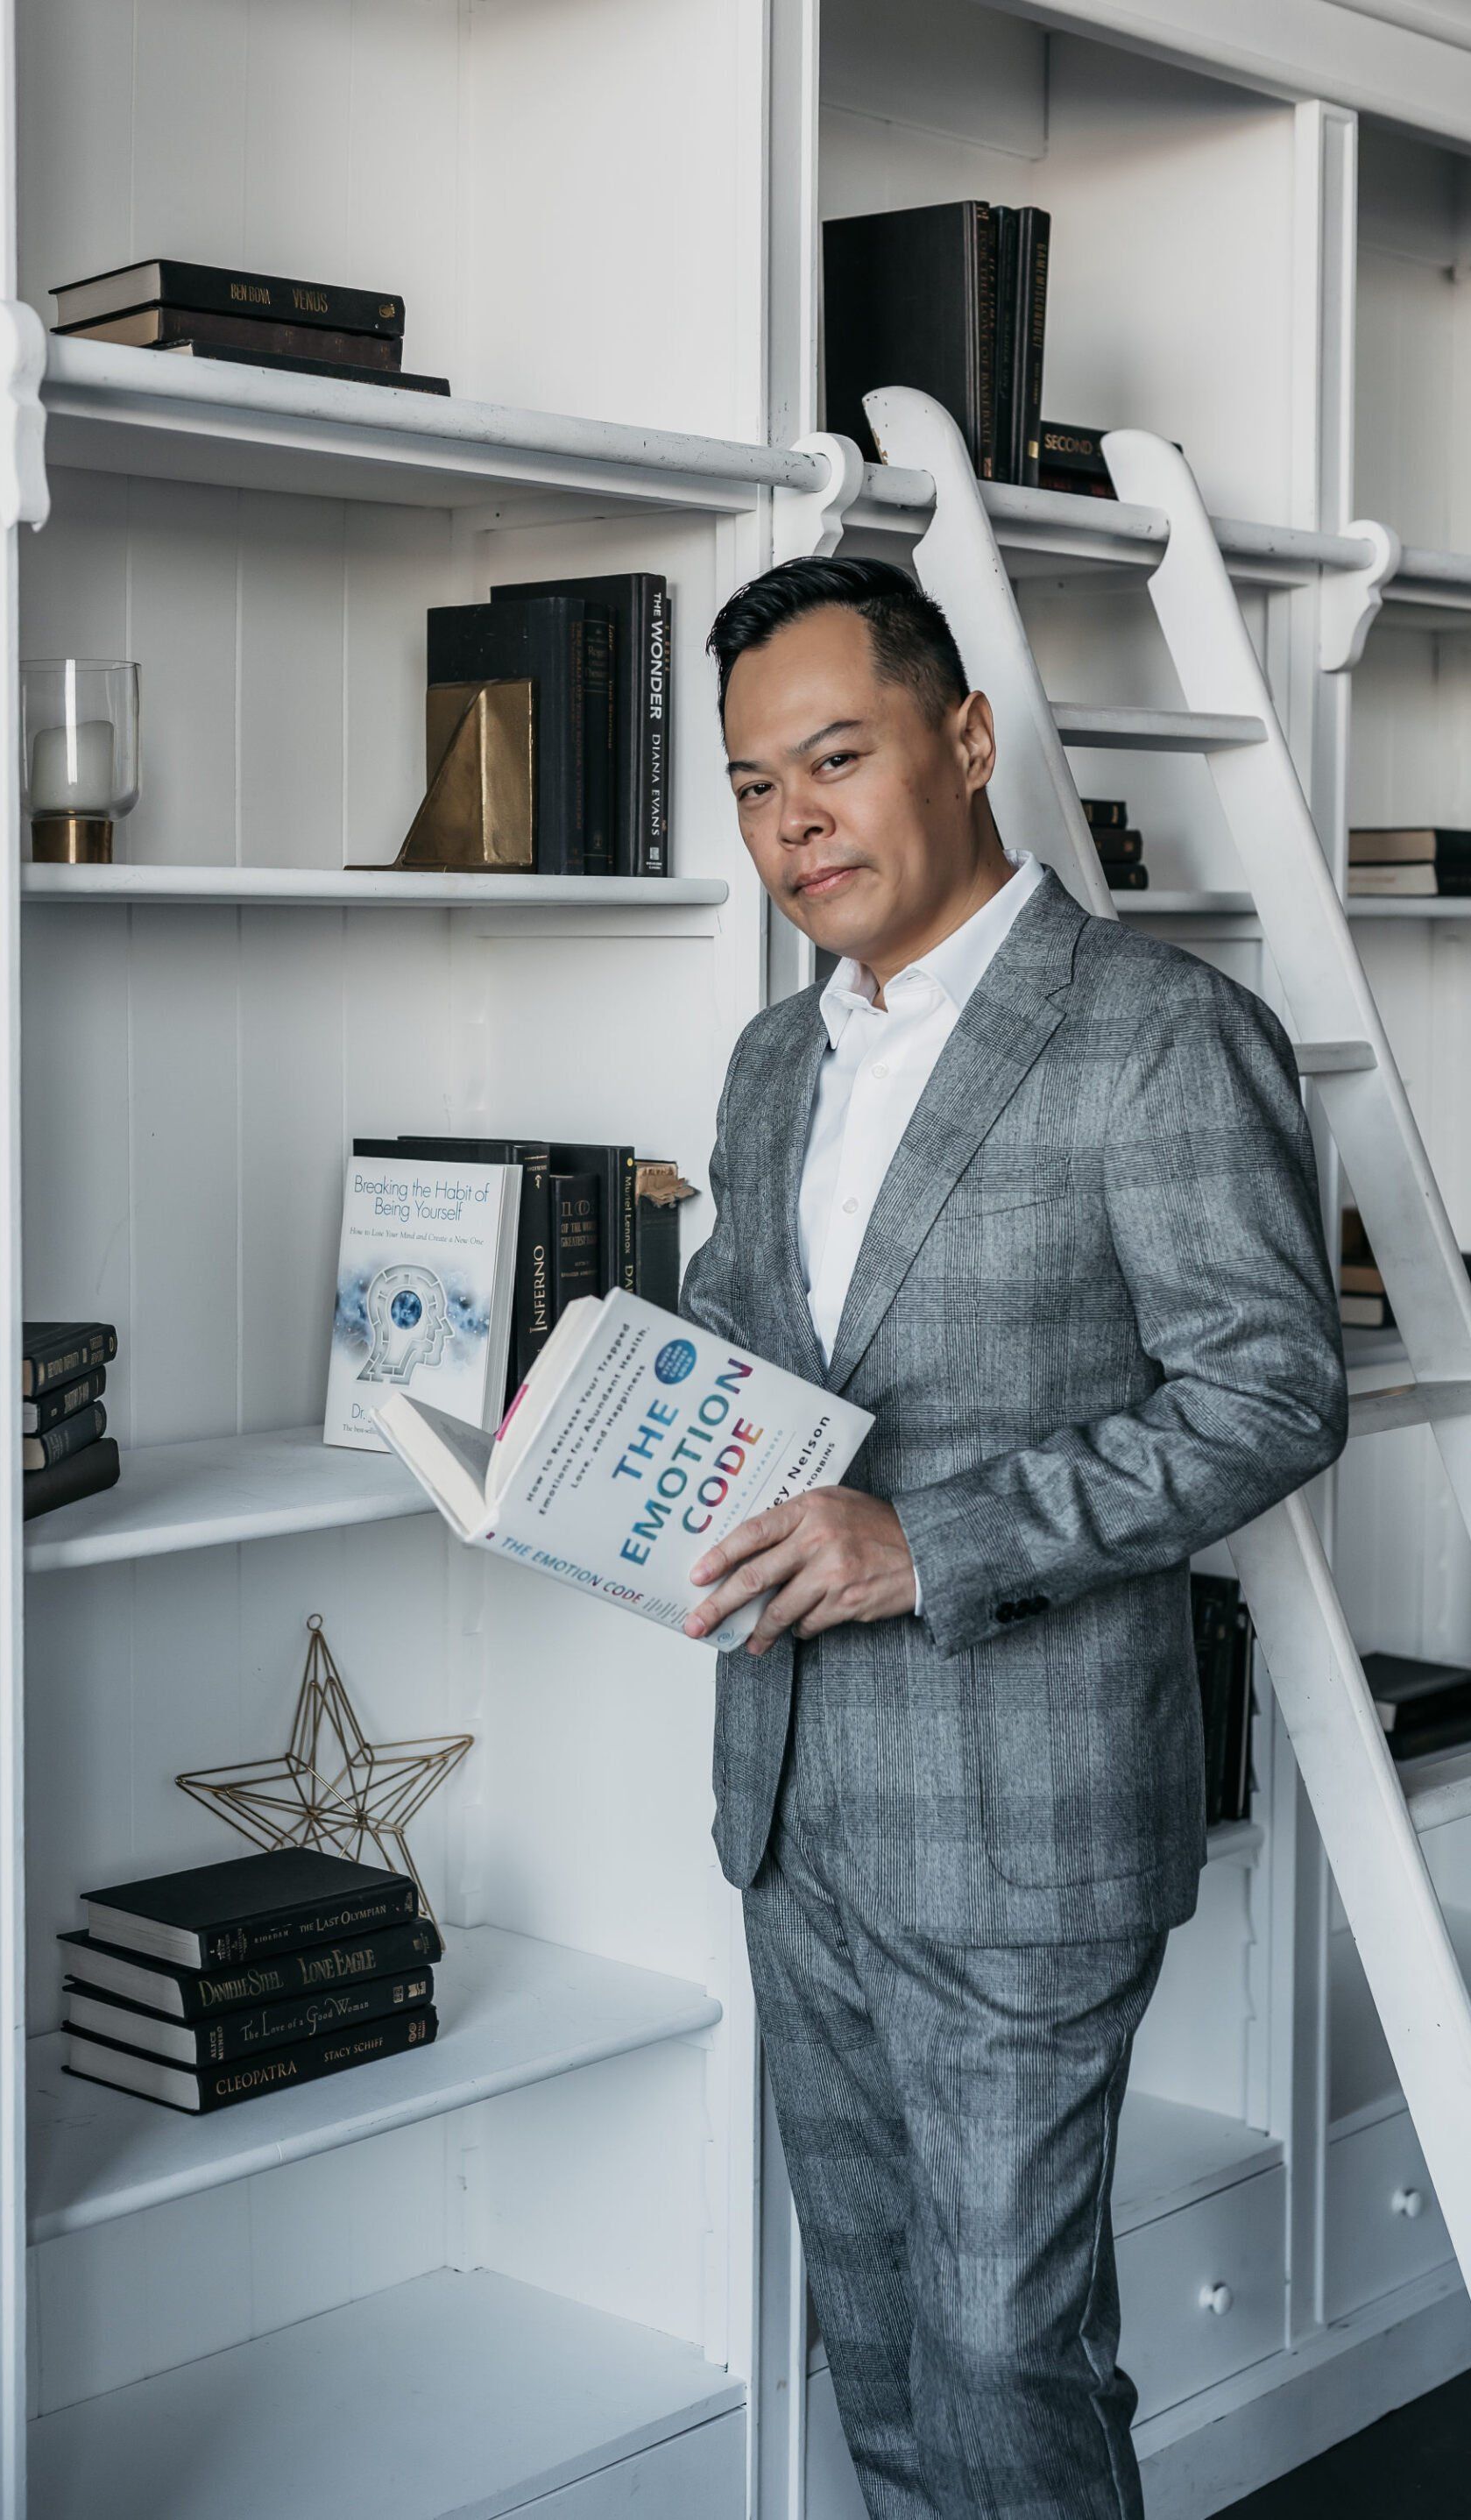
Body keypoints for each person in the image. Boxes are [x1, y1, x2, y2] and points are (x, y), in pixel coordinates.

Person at [677, 555, 1347, 2519]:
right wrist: (603, 1446)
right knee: (879, 2349)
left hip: (1026, 1822)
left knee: (1003, 2361)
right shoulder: (773, 1057)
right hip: (794, 1801)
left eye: (835, 757)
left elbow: (1270, 1396)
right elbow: (743, 1331)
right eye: (747, 784)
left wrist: (925, 1543)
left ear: (965, 743)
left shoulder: (1152, 1032)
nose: (792, 821)